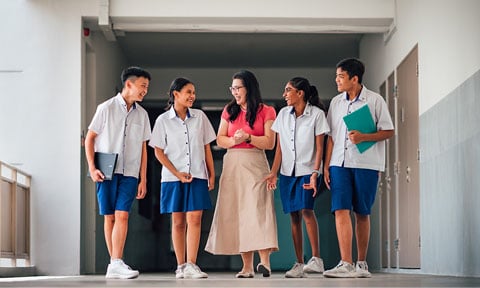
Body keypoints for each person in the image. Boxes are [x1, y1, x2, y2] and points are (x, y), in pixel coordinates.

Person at [323, 58, 394, 278]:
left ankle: (361, 263)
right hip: (339, 163)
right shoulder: (336, 103)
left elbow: (388, 131)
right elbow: (332, 138)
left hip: (366, 164)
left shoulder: (375, 100)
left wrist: (364, 137)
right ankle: (346, 262)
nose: (336, 80)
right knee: (340, 209)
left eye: (340, 76)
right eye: (336, 76)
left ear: (355, 78)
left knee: (362, 212)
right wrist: (326, 166)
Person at [205, 70, 278, 278]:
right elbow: (219, 139)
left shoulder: (267, 111)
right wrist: (234, 141)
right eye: (233, 88)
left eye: (238, 88)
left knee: (258, 210)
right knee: (239, 212)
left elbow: (269, 142)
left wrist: (247, 137)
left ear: (249, 88)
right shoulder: (230, 110)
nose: (235, 92)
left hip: (255, 162)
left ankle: (264, 263)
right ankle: (246, 267)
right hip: (233, 163)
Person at [85, 66, 152, 279]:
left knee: (123, 214)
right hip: (106, 170)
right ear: (129, 84)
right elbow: (90, 138)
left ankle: (116, 261)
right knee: (110, 216)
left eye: (147, 88)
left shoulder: (142, 114)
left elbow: (143, 148)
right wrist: (92, 168)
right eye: (142, 86)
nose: (145, 91)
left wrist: (144, 178)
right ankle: (114, 262)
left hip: (130, 171)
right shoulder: (106, 108)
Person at [149, 78, 216, 279]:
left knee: (195, 219)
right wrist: (177, 173)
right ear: (175, 94)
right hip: (172, 177)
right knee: (178, 221)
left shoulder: (200, 117)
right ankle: (180, 266)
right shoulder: (163, 120)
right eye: (188, 92)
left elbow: (206, 148)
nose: (192, 96)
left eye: (194, 92)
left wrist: (211, 174)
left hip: (197, 174)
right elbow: (159, 152)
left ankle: (192, 264)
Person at [264, 77, 330, 278]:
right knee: (294, 215)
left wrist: (315, 173)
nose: (284, 94)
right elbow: (280, 149)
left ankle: (316, 259)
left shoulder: (317, 115)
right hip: (287, 173)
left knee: (307, 210)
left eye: (288, 90)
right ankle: (299, 263)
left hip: (307, 172)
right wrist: (273, 172)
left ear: (300, 93)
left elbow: (320, 147)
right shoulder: (283, 115)